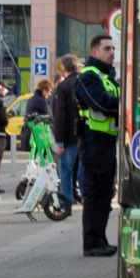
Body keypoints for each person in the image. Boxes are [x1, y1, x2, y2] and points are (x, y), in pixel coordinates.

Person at [75, 35, 121, 256]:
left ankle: (100, 239)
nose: (112, 52)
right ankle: (92, 243)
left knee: (105, 194)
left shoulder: (107, 77)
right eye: (107, 49)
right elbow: (99, 102)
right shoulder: (89, 77)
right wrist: (124, 103)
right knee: (95, 195)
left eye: (113, 48)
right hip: (94, 142)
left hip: (107, 142)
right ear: (94, 52)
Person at [51, 55, 83, 215]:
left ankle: (66, 204)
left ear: (64, 69)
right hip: (86, 135)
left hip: (69, 136)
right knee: (84, 170)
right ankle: (88, 201)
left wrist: (59, 141)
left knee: (66, 170)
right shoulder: (85, 82)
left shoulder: (63, 87)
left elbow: (60, 115)